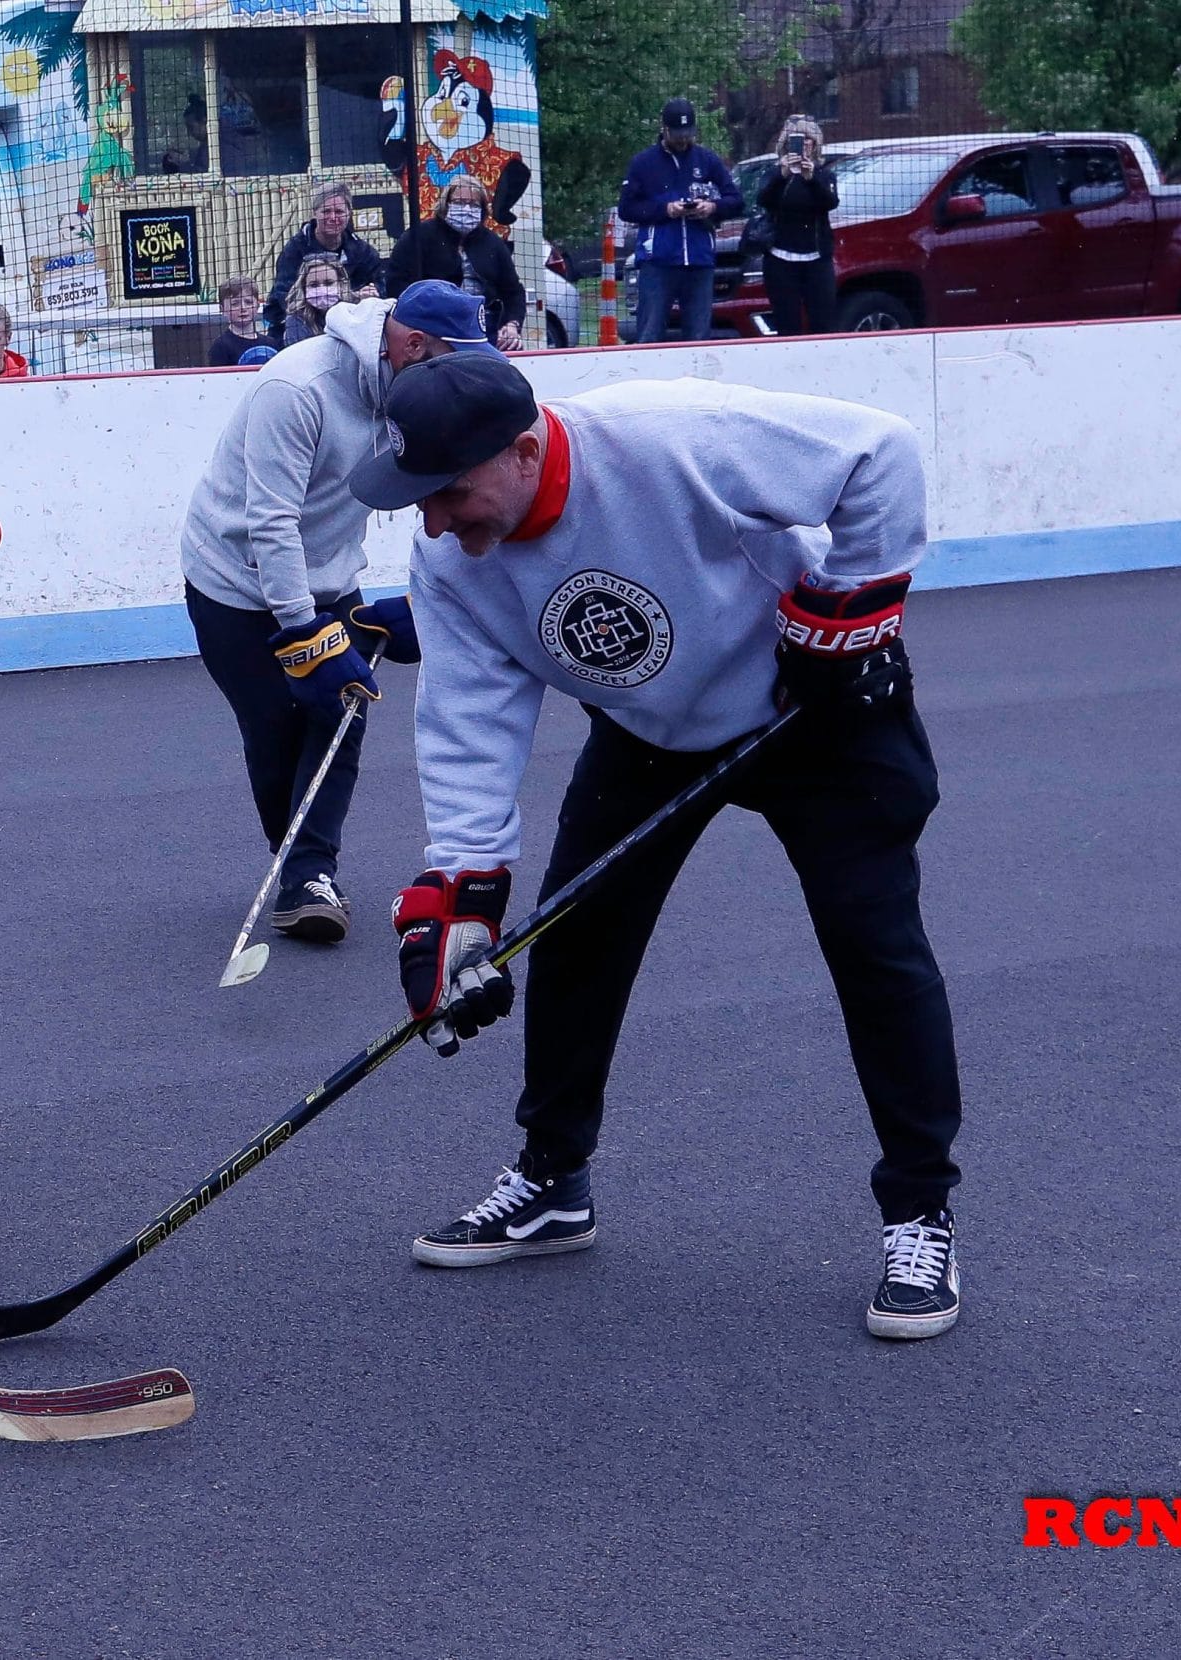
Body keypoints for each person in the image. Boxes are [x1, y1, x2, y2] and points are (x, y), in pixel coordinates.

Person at [354, 350, 965, 1342]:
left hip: (809, 709)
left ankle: (919, 1212)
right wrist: (461, 905)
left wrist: (845, 613)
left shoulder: (664, 438)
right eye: (417, 502)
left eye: (447, 495)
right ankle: (551, 1181)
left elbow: (878, 455)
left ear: (521, 450)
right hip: (650, 735)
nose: (433, 523)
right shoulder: (450, 566)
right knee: (575, 941)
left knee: (873, 946)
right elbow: (467, 723)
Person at [177, 281, 490, 942]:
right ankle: (296, 862)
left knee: (341, 710)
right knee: (276, 729)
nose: (459, 377)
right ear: (411, 345)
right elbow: (271, 524)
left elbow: (443, 492)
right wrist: (304, 632)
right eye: (451, 360)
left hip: (328, 573)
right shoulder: (296, 389)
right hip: (233, 584)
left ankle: (307, 877)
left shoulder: (421, 392)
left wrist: (430, 597)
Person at [619, 98, 742, 345]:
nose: (683, 139)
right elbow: (627, 209)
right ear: (663, 129)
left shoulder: (707, 160)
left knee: (698, 336)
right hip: (658, 261)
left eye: (688, 133)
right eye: (677, 134)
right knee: (650, 333)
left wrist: (712, 207)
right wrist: (666, 210)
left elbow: (737, 200)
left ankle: (695, 382)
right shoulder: (643, 163)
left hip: (699, 259)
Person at [384, 175, 526, 350]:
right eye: (459, 202)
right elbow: (396, 282)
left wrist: (512, 325)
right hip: (434, 325)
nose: (466, 209)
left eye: (474, 204)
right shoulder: (419, 236)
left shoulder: (493, 243)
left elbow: (513, 291)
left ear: (482, 209)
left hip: (484, 324)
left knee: (513, 347)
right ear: (446, 204)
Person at [755, 115, 839, 336]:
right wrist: (783, 175)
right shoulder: (774, 173)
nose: (804, 145)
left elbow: (830, 203)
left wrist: (810, 178)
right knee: (787, 325)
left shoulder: (823, 174)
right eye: (797, 141)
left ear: (815, 144)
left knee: (823, 323)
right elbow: (763, 200)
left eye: (808, 140)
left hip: (816, 259)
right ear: (786, 144)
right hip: (781, 259)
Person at [264, 185, 383, 340]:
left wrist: (370, 296)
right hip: (299, 328)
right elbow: (283, 295)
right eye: (326, 211)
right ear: (314, 213)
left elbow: (381, 288)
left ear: (349, 214)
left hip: (348, 329)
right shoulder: (294, 250)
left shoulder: (363, 252)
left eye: (339, 212)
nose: (333, 217)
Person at [278, 252, 352, 347]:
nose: (321, 289)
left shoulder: (353, 312)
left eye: (329, 283)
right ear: (304, 287)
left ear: (341, 284)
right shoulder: (296, 319)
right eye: (314, 285)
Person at [208, 276, 269, 366]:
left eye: (248, 302)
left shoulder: (270, 343)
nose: (243, 308)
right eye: (235, 304)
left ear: (257, 306)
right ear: (222, 309)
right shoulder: (220, 347)